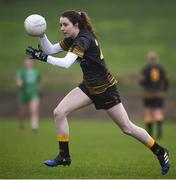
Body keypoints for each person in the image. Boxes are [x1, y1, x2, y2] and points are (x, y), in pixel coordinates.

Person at [25, 10, 170, 175]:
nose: (62, 28)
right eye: (60, 25)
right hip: (88, 87)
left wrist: (42, 58)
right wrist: (41, 34)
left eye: (65, 24)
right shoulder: (73, 39)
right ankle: (64, 156)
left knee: (127, 128)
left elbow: (65, 63)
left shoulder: (83, 40)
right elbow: (50, 50)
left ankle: (160, 151)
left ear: (76, 25)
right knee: (59, 112)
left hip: (106, 89)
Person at [139, 51, 169, 139]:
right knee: (158, 112)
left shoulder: (145, 69)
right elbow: (166, 81)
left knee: (148, 113)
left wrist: (146, 86)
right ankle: (159, 131)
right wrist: (164, 90)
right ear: (157, 59)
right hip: (159, 93)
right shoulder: (161, 69)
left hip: (148, 94)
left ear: (149, 59)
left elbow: (141, 82)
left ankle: (150, 133)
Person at [16, 58, 41, 132]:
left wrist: (38, 89)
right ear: (25, 64)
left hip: (33, 94)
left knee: (34, 110)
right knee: (22, 112)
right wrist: (20, 83)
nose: (28, 64)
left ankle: (34, 126)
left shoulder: (36, 72)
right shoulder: (21, 72)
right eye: (27, 63)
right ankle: (21, 124)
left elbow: (38, 82)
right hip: (23, 94)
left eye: (29, 63)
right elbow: (19, 81)